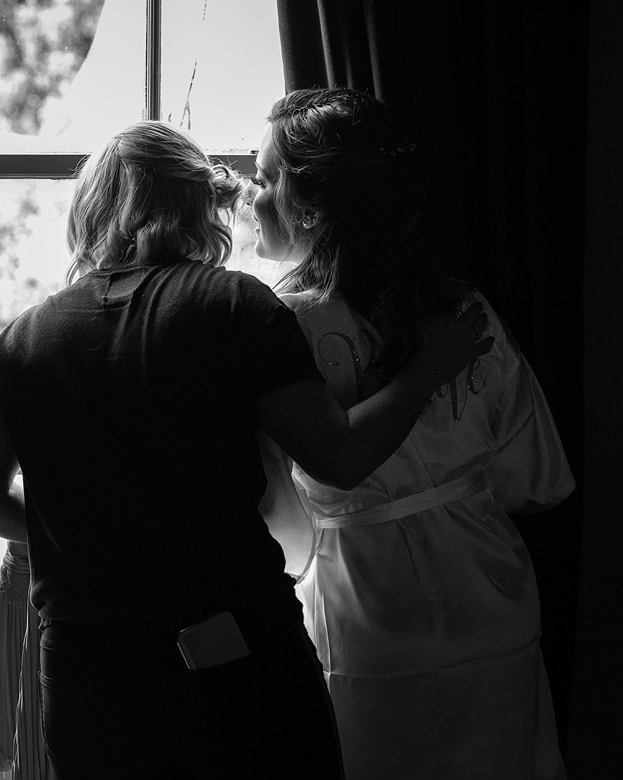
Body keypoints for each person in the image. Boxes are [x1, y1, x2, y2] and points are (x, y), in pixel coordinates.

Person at [0, 119, 491, 779]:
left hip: (88, 678)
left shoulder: (22, 339)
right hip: (231, 663)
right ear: (198, 205)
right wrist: (429, 367)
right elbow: (340, 457)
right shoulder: (235, 306)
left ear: (91, 213)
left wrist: (79, 536)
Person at [250, 87, 575, 780]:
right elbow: (536, 481)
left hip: (368, 615)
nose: (249, 199)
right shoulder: (463, 308)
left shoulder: (278, 327)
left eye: (261, 179)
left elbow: (271, 511)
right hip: (492, 598)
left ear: (307, 203)